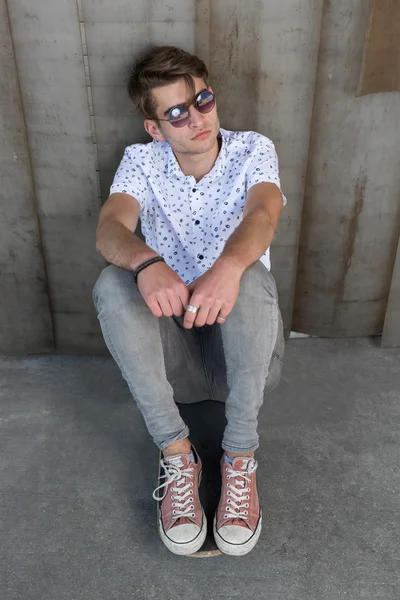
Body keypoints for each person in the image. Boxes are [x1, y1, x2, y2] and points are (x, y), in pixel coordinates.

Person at [92, 45, 286, 557]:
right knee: (112, 283)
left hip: (241, 359)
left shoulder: (252, 149)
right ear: (156, 128)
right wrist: (147, 264)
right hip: (173, 361)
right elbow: (110, 228)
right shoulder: (141, 161)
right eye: (176, 113)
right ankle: (178, 455)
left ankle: (239, 456)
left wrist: (226, 268)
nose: (197, 119)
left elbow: (263, 216)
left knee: (248, 279)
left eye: (202, 100)